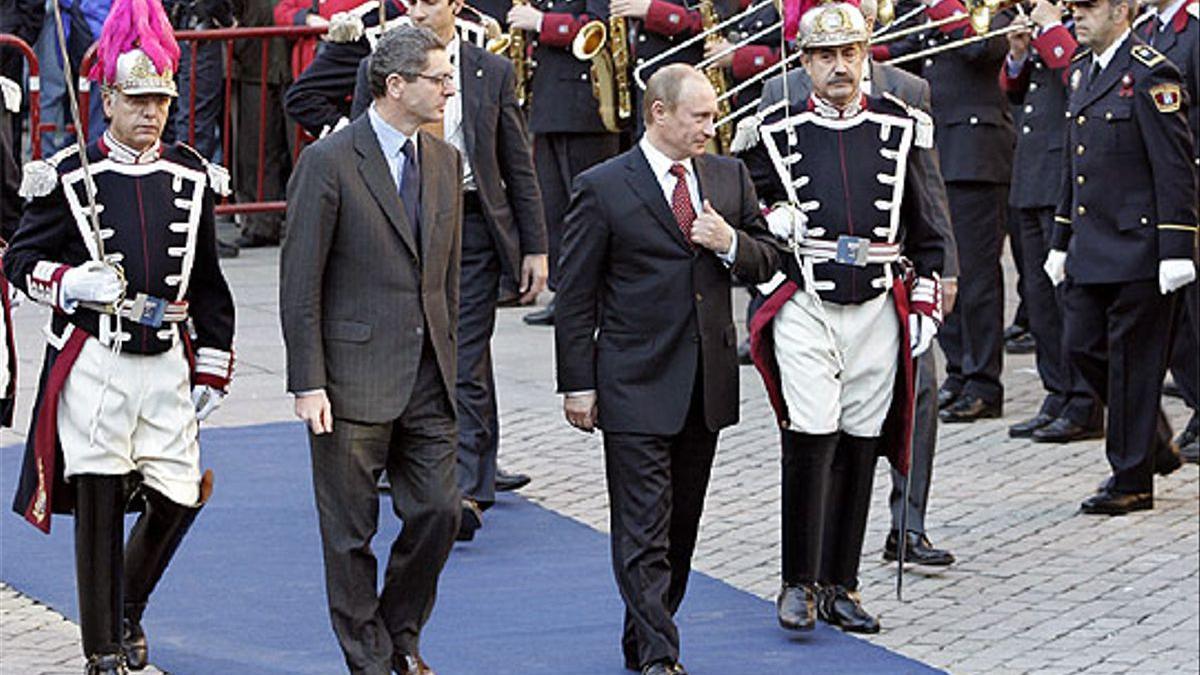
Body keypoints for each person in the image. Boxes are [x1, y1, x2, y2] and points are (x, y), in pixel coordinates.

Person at [4, 0, 237, 670]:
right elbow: (20, 262)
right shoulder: (67, 175)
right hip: (95, 359)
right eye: (136, 100)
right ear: (107, 99)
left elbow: (211, 284)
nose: (150, 113)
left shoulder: (193, 175)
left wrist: (213, 368)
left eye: (159, 101)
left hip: (165, 358)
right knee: (102, 494)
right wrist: (72, 282)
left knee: (179, 490)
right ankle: (101, 646)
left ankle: (126, 605)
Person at [554, 63, 778, 675]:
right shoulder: (603, 186)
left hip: (704, 384)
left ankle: (642, 637)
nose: (712, 126)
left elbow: (768, 261)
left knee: (680, 529)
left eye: (713, 115)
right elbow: (575, 295)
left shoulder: (728, 177)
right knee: (643, 528)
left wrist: (729, 241)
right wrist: (578, 383)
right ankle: (660, 656)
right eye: (700, 116)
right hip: (632, 381)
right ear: (659, 113)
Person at [745, 0, 948, 635]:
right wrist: (771, 215)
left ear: (866, 55)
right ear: (804, 62)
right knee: (810, 433)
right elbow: (746, 202)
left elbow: (929, 222)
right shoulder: (771, 127)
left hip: (880, 299)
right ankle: (797, 582)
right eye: (826, 56)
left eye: (849, 54)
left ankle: (842, 583)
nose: (839, 67)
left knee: (862, 440)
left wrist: (927, 301)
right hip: (806, 298)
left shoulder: (902, 123)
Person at [280, 25, 462, 674]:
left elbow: (447, 276)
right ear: (395, 85)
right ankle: (369, 658)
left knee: (441, 511)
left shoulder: (444, 160)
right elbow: (299, 282)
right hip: (350, 381)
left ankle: (399, 632)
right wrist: (309, 381)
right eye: (438, 78)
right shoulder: (328, 163)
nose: (448, 88)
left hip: (428, 378)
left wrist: (456, 366)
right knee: (349, 534)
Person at [349, 0, 548, 539]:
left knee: (462, 351)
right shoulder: (381, 61)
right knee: (419, 347)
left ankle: (465, 488)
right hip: (403, 223)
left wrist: (535, 247)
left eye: (428, 0)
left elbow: (517, 165)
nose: (414, 9)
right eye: (407, 1)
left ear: (455, 5)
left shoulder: (491, 71)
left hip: (473, 224)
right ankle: (419, 464)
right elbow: (354, 145)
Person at [1046, 0, 1196, 514]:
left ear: (1120, 10)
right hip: (1093, 243)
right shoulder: (1082, 73)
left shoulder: (1153, 74)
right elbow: (1074, 163)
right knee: (1080, 345)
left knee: (1132, 362)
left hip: (1140, 246)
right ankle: (1150, 438)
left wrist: (1177, 247)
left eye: (1087, 7)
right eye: (1073, 9)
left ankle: (1131, 479)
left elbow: (1175, 168)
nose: (1076, 17)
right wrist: (1060, 239)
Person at [882, 0, 1015, 423]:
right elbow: (904, 54)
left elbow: (981, 50)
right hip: (940, 155)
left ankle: (983, 381)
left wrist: (942, 8)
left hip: (977, 158)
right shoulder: (932, 17)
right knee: (940, 269)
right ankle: (958, 371)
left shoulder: (998, 11)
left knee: (976, 277)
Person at [1001, 1, 1105, 442]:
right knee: (1038, 294)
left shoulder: (1085, 26)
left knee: (1068, 299)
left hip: (1061, 174)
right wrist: (1020, 54)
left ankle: (1084, 400)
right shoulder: (1053, 27)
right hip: (1030, 172)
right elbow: (1017, 92)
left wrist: (1047, 29)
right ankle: (1056, 390)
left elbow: (1077, 77)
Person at [506, 0, 621, 325]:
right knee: (554, 209)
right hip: (549, 102)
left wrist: (541, 22)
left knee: (585, 211)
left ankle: (594, 296)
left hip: (586, 103)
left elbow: (600, 25)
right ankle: (567, 294)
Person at [1135, 0, 1199, 463]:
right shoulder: (1146, 28)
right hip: (1155, 194)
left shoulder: (1194, 29)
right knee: (1178, 320)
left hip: (1190, 184)